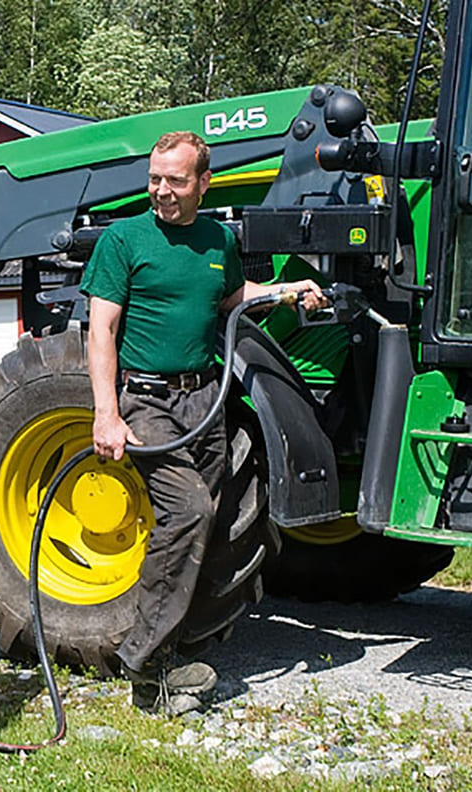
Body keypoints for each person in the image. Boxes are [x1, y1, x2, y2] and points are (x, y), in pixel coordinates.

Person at [79, 130, 324, 716]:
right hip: (145, 400)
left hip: (202, 398)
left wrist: (288, 291)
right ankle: (143, 662)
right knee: (188, 509)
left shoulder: (217, 238)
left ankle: (176, 650)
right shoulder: (123, 239)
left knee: (211, 522)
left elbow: (230, 295)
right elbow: (101, 330)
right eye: (155, 179)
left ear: (203, 182)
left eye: (176, 180)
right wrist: (106, 413)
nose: (162, 191)